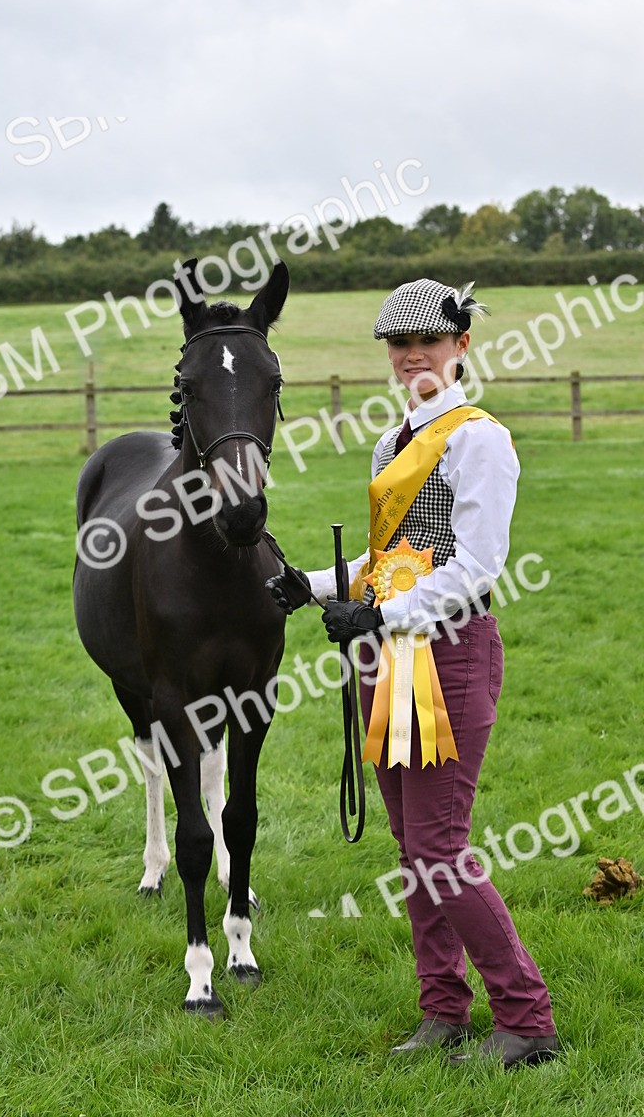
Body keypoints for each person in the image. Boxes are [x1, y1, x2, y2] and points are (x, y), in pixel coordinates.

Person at [266, 278, 559, 1069]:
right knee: (412, 847)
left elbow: (476, 566)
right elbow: (387, 562)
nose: (411, 355)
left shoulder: (478, 440)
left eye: (427, 340)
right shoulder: (391, 444)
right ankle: (443, 1011)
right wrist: (311, 586)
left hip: (451, 652)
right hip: (392, 657)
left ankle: (527, 1019)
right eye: (399, 344)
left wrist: (379, 616)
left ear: (460, 345)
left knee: (439, 845)